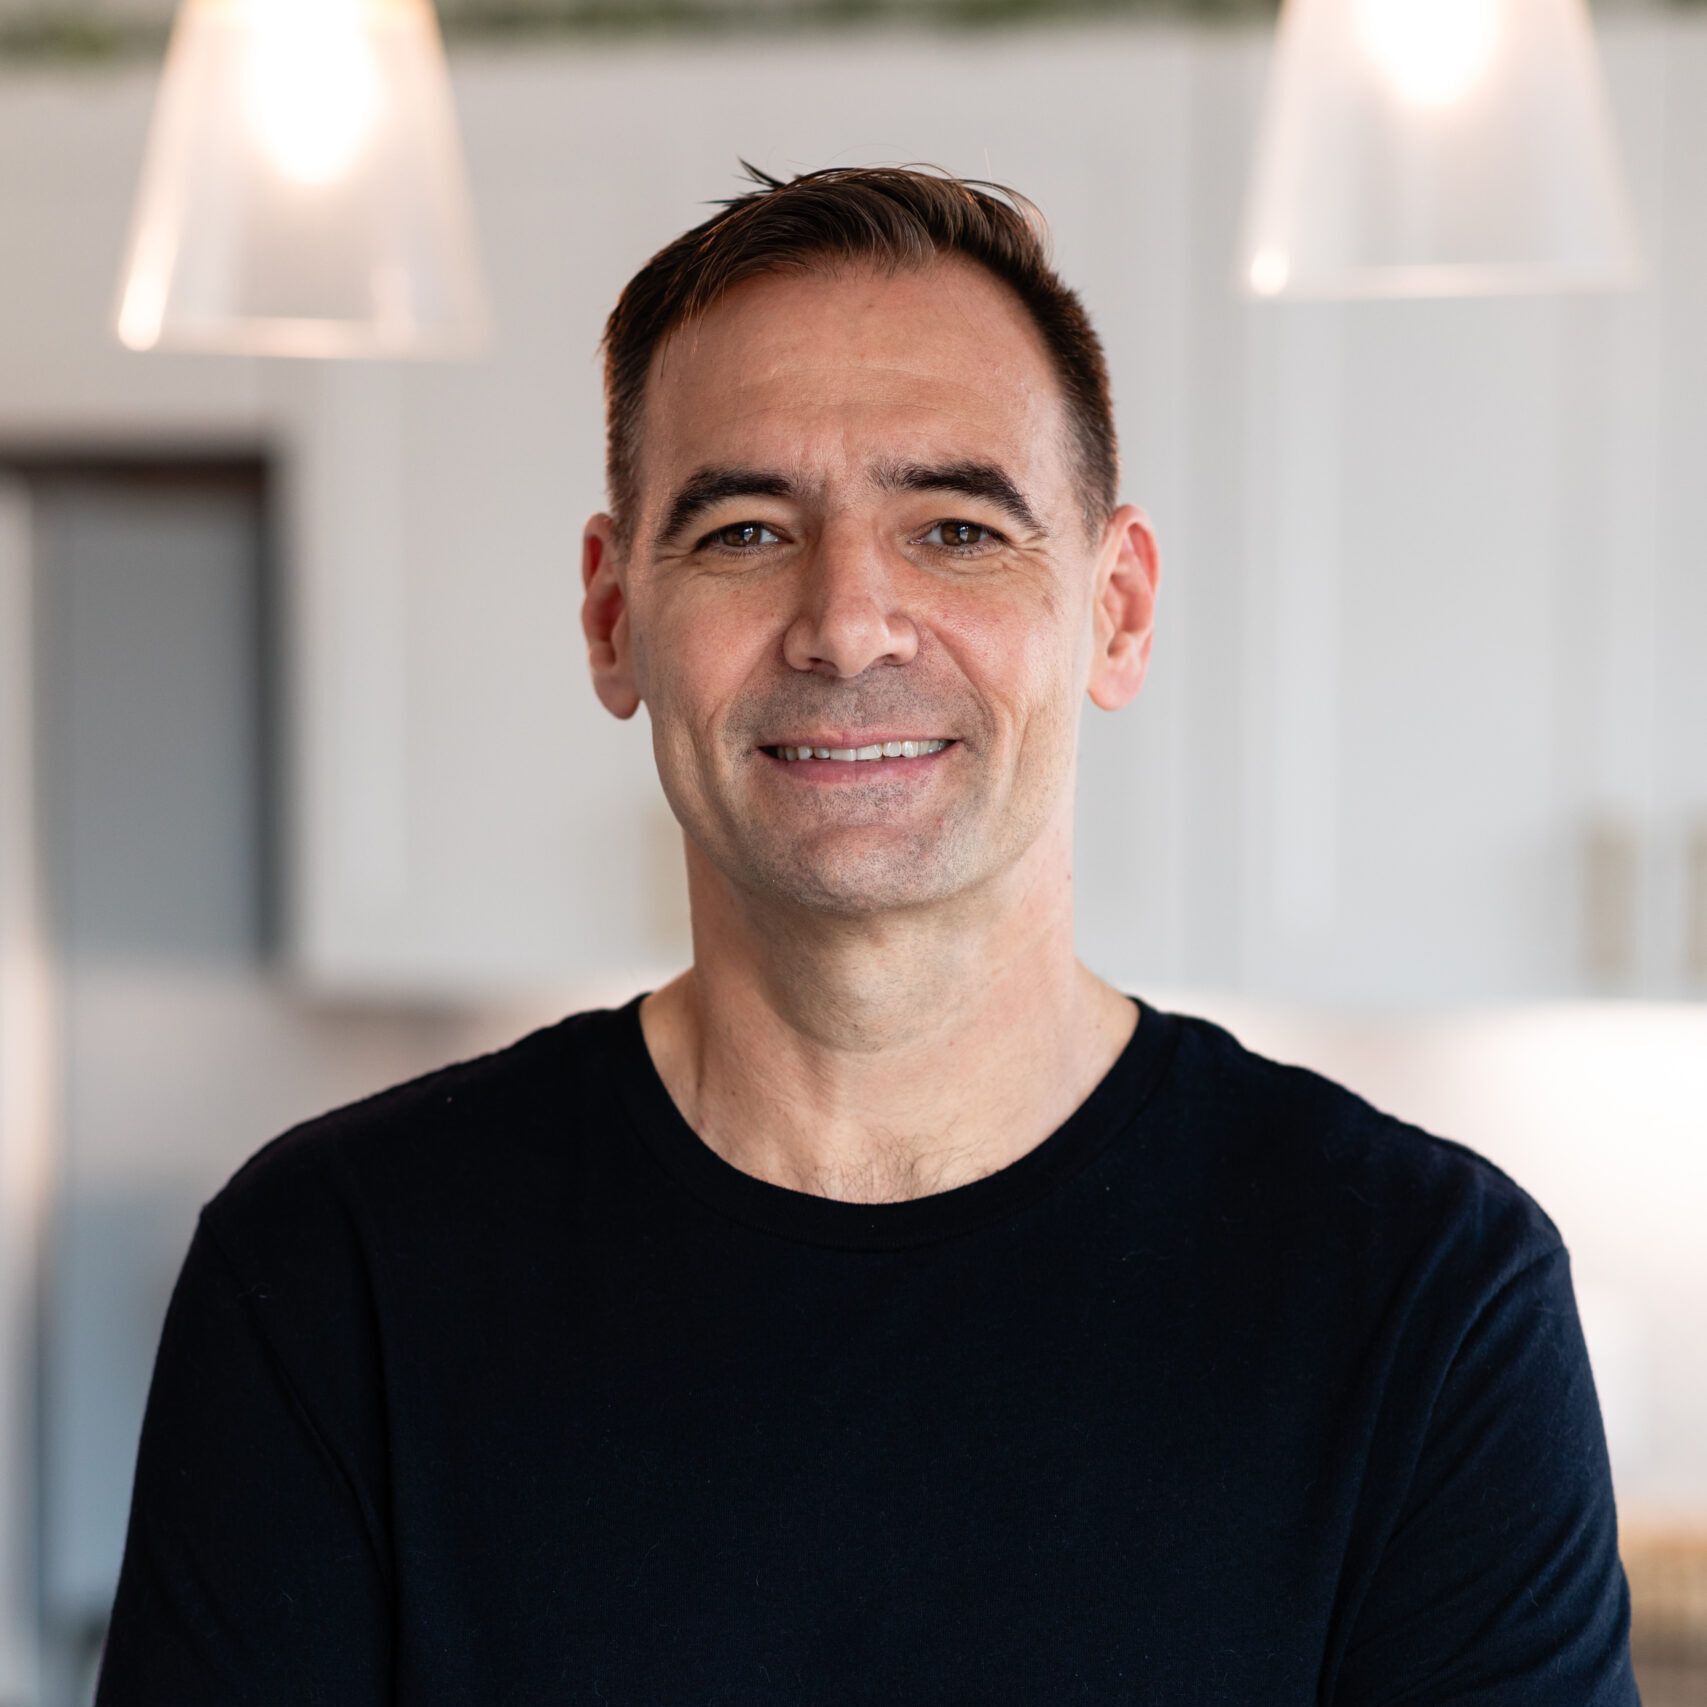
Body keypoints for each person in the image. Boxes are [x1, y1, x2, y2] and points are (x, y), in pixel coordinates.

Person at [93, 161, 1639, 1704]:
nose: (847, 622)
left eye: (958, 530)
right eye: (746, 531)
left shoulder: (1426, 1298)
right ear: (612, 617)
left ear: (1116, 610)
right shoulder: (329, 1277)